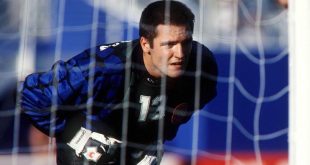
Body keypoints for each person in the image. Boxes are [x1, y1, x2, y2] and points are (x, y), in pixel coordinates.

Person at [20, 0, 218, 164]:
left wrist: (157, 136)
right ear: (145, 43)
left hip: (138, 148)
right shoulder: (103, 67)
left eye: (186, 42)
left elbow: (187, 106)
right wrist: (70, 133)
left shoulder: (202, 66)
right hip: (91, 147)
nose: (180, 53)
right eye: (169, 45)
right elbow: (30, 93)